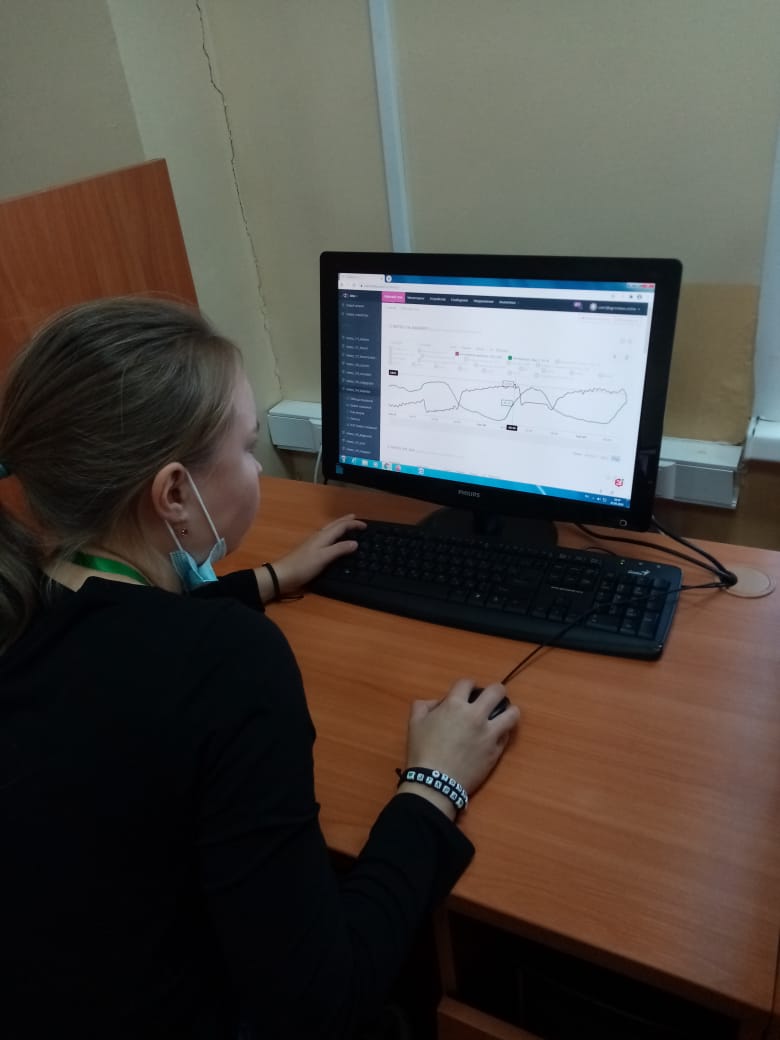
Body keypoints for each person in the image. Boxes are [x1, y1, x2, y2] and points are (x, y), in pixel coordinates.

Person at [0, 297, 520, 1039]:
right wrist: (435, 783)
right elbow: (321, 1003)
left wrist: (269, 579)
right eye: (248, 450)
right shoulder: (228, 661)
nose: (258, 471)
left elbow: (126, 633)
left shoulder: (24, 596)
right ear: (174, 494)